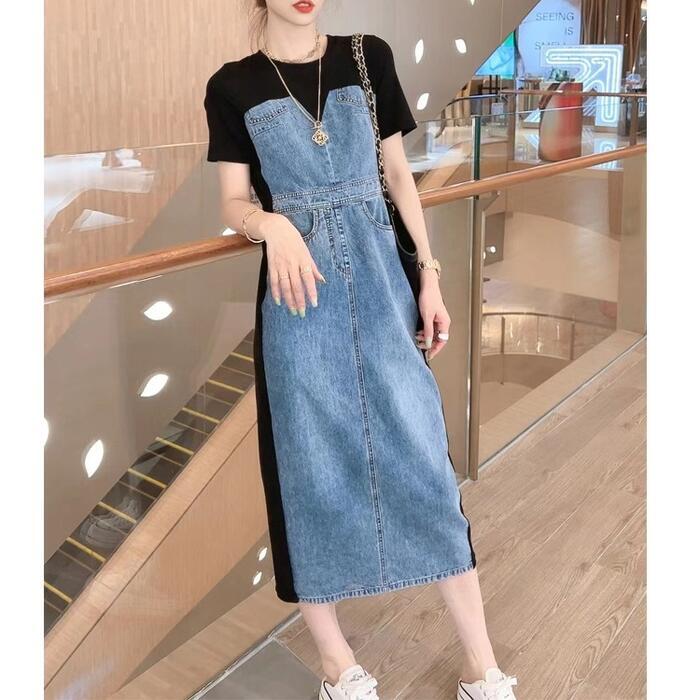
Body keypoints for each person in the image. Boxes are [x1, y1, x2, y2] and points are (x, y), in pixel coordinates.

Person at [203, 2, 517, 699]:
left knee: (425, 464)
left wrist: (429, 277)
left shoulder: (365, 55)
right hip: (298, 299)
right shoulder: (232, 84)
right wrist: (271, 225)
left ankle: (482, 664)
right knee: (310, 471)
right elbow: (230, 200)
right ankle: (337, 665)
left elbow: (398, 175)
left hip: (383, 287)